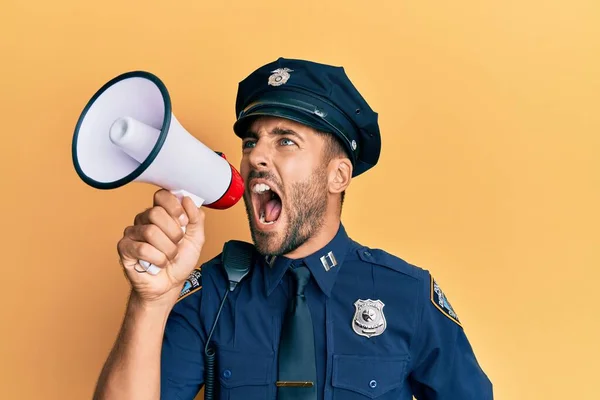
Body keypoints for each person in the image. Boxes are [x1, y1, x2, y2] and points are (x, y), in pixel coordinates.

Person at [93, 57, 493, 400]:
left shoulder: (407, 294)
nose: (256, 157)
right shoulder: (209, 293)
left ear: (338, 175)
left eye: (285, 141)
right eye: (251, 142)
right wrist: (150, 302)